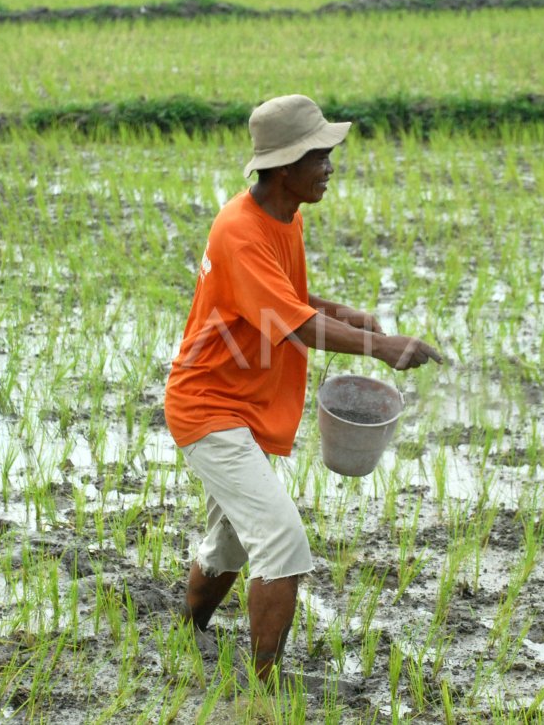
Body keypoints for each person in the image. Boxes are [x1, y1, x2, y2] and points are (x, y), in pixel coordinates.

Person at [163, 94, 443, 685]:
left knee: (233, 540)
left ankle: (186, 637)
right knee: (281, 541)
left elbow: (288, 299)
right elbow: (290, 323)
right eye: (319, 156)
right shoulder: (239, 229)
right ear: (284, 165)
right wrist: (385, 347)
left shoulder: (283, 217)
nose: (329, 166)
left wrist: (347, 313)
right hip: (210, 404)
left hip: (245, 404)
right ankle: (266, 683)